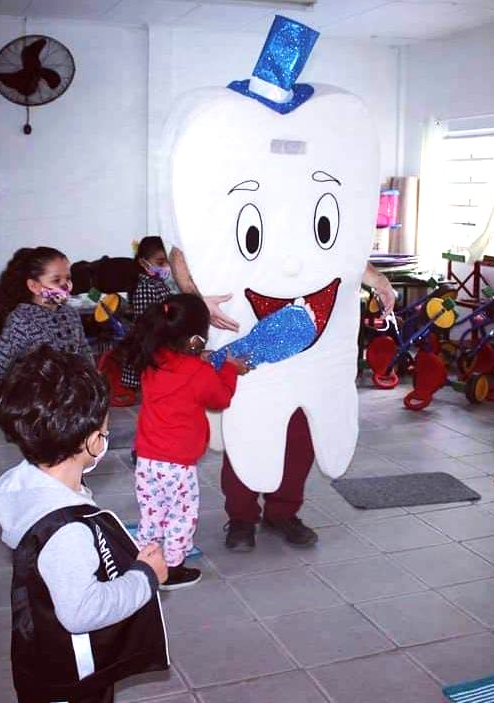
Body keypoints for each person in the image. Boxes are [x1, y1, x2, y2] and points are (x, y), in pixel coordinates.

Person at [169, 247, 397, 550]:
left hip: (308, 354)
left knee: (300, 436)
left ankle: (282, 513)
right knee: (246, 432)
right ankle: (241, 517)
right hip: (247, 342)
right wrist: (196, 298)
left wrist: (378, 280)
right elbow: (181, 249)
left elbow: (343, 246)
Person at [0, 347, 169, 703]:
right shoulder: (66, 529)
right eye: (103, 430)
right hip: (71, 678)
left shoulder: (27, 486)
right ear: (91, 441)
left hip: (41, 651)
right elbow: (82, 612)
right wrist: (146, 576)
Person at [121, 294, 250, 588]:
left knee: (152, 513)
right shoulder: (197, 372)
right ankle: (174, 568)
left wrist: (201, 358)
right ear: (196, 339)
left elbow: (180, 369)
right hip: (178, 465)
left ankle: (147, 561)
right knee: (181, 515)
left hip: (146, 459)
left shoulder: (152, 359)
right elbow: (220, 399)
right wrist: (230, 369)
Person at [0, 246, 91, 428]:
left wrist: (95, 386)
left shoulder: (71, 314)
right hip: (39, 407)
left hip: (72, 402)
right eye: (56, 280)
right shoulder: (21, 319)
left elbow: (84, 352)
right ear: (33, 286)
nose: (65, 285)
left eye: (68, 278)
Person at [120, 236, 173, 391]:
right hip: (151, 348)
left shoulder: (158, 283)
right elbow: (148, 324)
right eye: (160, 262)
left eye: (168, 261)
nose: (166, 267)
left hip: (160, 345)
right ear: (144, 263)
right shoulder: (145, 287)